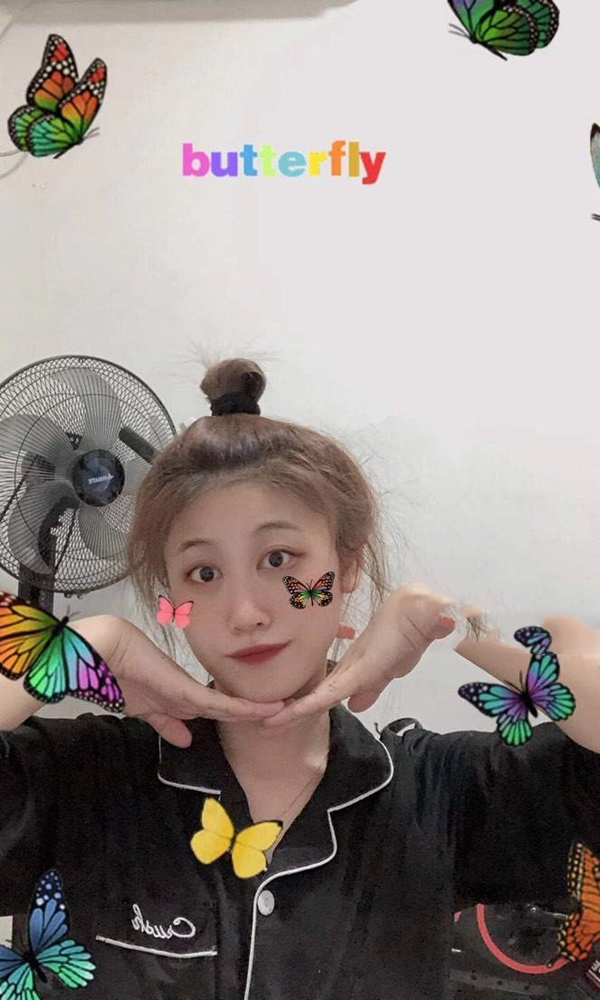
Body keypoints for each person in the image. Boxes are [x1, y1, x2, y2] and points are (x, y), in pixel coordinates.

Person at [1, 356, 599, 1000]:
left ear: (346, 568)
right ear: (169, 598)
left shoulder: (440, 793)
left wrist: (458, 621)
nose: (245, 613)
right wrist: (83, 643)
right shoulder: (87, 778)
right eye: (204, 574)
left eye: (279, 558)